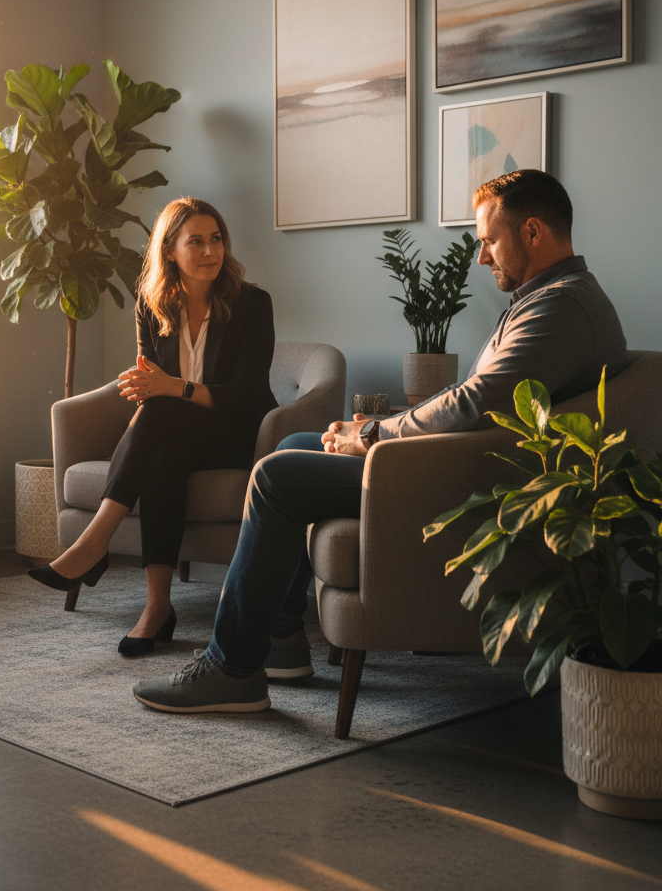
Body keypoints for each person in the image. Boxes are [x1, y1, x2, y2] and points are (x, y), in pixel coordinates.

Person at [132, 169, 630, 712]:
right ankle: (280, 638)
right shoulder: (546, 299)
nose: (481, 257)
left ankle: (231, 668)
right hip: (455, 460)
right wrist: (366, 432)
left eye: (489, 240)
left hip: (470, 478)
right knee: (295, 443)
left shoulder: (560, 306)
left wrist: (373, 434)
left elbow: (474, 402)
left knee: (276, 476)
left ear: (532, 232)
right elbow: (477, 398)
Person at [27, 196, 278, 656]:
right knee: (165, 452)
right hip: (175, 433)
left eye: (216, 239)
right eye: (196, 241)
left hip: (238, 434)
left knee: (163, 407)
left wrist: (174, 388)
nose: (210, 251)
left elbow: (249, 398)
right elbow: (149, 386)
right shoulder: (152, 303)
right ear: (169, 251)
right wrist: (155, 389)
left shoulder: (252, 304)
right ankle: (157, 606)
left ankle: (94, 543)